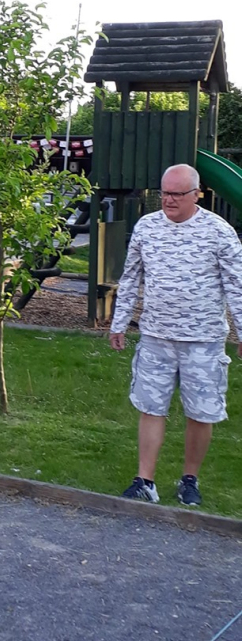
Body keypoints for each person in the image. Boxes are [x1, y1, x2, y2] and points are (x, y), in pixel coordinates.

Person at [110, 163, 242, 506]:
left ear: (197, 194)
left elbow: (237, 286)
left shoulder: (219, 231)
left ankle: (189, 479)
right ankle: (145, 480)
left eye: (177, 194)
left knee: (201, 413)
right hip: (156, 337)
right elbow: (131, 276)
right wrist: (119, 321)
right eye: (164, 193)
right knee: (151, 407)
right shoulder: (146, 228)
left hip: (204, 340)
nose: (168, 200)